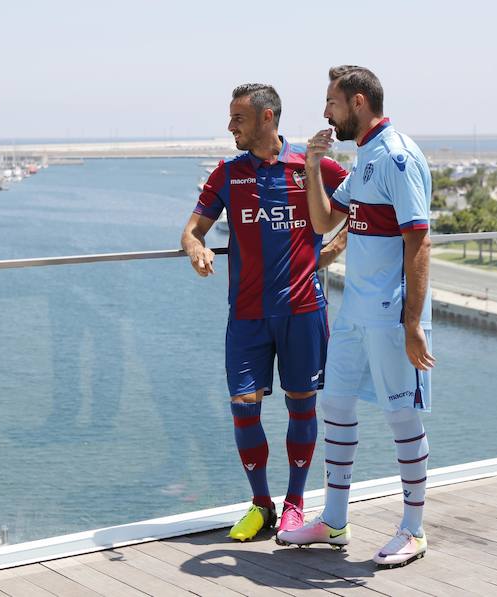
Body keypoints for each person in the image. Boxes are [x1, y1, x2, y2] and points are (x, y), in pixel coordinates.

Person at [277, 66, 435, 568]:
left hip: (391, 317)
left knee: (401, 418)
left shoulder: (397, 157)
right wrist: (314, 163)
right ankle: (335, 520)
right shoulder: (364, 157)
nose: (326, 111)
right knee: (337, 408)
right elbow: (325, 221)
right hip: (353, 314)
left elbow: (419, 240)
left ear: (359, 102)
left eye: (332, 103)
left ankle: (413, 530)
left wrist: (412, 324)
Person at [181, 83, 347, 542]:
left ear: (267, 118)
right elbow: (193, 229)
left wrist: (334, 248)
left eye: (238, 118)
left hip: (303, 310)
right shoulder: (228, 174)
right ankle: (261, 504)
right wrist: (197, 249)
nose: (230, 126)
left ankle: (295, 504)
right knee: (243, 409)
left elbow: (366, 206)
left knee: (302, 406)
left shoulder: (310, 166)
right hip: (248, 315)